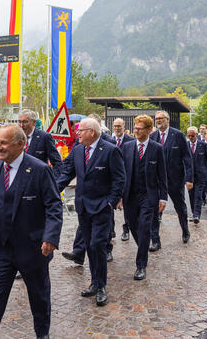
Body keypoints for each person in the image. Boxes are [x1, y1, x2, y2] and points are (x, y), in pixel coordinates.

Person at [0, 125, 63, 339]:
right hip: (3, 250)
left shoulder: (40, 169)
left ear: (20, 144)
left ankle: (42, 334)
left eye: (3, 143)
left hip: (33, 249)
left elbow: (54, 205)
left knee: (39, 298)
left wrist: (50, 237)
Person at [57, 118, 125, 306]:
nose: (77, 133)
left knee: (97, 245)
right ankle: (94, 283)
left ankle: (101, 286)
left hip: (102, 207)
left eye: (81, 130)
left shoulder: (110, 150)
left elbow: (120, 179)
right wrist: (53, 189)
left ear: (92, 132)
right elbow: (67, 173)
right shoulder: (78, 150)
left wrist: (110, 203)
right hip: (83, 206)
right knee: (89, 244)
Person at [120, 115, 167, 280]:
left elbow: (162, 175)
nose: (136, 131)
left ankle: (141, 265)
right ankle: (144, 245)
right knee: (133, 226)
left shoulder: (157, 148)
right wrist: (119, 195)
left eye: (140, 128)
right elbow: (120, 174)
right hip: (130, 195)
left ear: (149, 130)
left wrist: (163, 198)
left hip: (149, 196)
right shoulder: (126, 147)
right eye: (135, 128)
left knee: (145, 227)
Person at [149, 111, 192, 250]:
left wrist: (189, 178)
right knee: (155, 209)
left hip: (175, 179)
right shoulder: (153, 136)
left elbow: (187, 157)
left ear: (167, 119)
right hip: (157, 181)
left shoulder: (178, 135)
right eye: (156, 119)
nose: (158, 120)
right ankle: (155, 240)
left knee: (180, 207)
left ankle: (185, 231)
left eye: (161, 118)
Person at [17, 110, 62, 177]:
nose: (21, 125)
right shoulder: (15, 136)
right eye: (19, 122)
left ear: (34, 122)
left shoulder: (44, 137)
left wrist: (54, 182)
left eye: (25, 122)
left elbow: (57, 162)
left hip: (38, 181)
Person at [113, 118, 135, 242]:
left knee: (127, 205)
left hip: (126, 176)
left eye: (119, 126)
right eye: (115, 126)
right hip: (112, 177)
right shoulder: (110, 140)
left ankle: (126, 229)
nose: (117, 128)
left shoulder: (131, 141)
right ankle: (110, 231)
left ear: (124, 126)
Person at [186, 127, 207, 223]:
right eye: (188, 135)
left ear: (197, 135)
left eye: (192, 135)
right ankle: (194, 213)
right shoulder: (185, 145)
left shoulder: (203, 145)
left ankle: (197, 215)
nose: (190, 137)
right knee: (191, 195)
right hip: (189, 176)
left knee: (198, 195)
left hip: (201, 175)